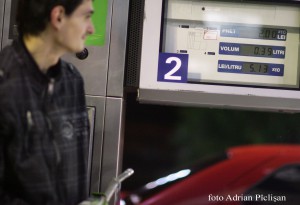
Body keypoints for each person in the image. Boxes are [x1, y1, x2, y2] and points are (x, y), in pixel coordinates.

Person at [0, 0, 95, 204]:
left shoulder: (72, 81)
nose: (91, 28)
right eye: (86, 16)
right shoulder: (5, 84)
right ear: (58, 17)